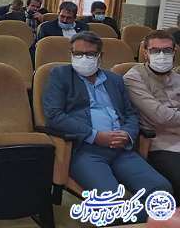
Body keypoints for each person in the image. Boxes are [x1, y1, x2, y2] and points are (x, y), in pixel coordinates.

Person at [42, 31, 172, 222]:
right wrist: (95, 136)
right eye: (78, 54)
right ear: (71, 54)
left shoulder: (114, 80)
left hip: (122, 149)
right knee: (111, 202)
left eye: (90, 54)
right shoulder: (60, 75)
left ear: (100, 56)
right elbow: (54, 116)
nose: (83, 58)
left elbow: (130, 114)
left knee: (161, 190)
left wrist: (127, 134)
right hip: (86, 150)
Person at [124, 30, 180, 202]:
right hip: (160, 144)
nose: (161, 55)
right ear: (145, 53)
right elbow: (161, 117)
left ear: (174, 52)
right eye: (155, 50)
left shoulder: (177, 77)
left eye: (167, 50)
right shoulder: (134, 77)